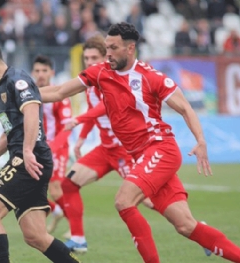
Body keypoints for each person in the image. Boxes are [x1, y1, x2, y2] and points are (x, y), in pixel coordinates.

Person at [39, 23, 240, 262]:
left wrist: (201, 141)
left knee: (123, 201)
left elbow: (185, 108)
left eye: (113, 48)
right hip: (141, 155)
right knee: (185, 225)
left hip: (161, 149)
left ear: (130, 48)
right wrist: (21, 91)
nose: (108, 53)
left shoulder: (151, 77)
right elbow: (59, 92)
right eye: (106, 47)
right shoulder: (100, 72)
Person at [0, 36, 81, 263]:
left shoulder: (17, 80)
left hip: (30, 159)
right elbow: (9, 134)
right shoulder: (0, 90)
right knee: (36, 235)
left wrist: (27, 151)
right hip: (31, 158)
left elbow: (32, 111)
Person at [52, 34, 153, 254]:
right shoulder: (89, 83)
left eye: (94, 57)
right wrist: (81, 138)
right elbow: (94, 113)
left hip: (125, 150)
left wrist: (78, 120)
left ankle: (192, 227)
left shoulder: (110, 79)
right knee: (68, 184)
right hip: (105, 150)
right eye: (86, 58)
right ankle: (78, 239)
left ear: (105, 57)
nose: (89, 62)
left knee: (149, 200)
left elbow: (105, 108)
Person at [31, 55, 72, 234]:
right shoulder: (30, 93)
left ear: (52, 72)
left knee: (55, 188)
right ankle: (56, 210)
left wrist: (54, 147)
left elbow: (67, 126)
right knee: (28, 188)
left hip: (57, 148)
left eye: (44, 71)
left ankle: (75, 228)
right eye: (37, 71)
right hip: (36, 148)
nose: (40, 74)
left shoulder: (59, 95)